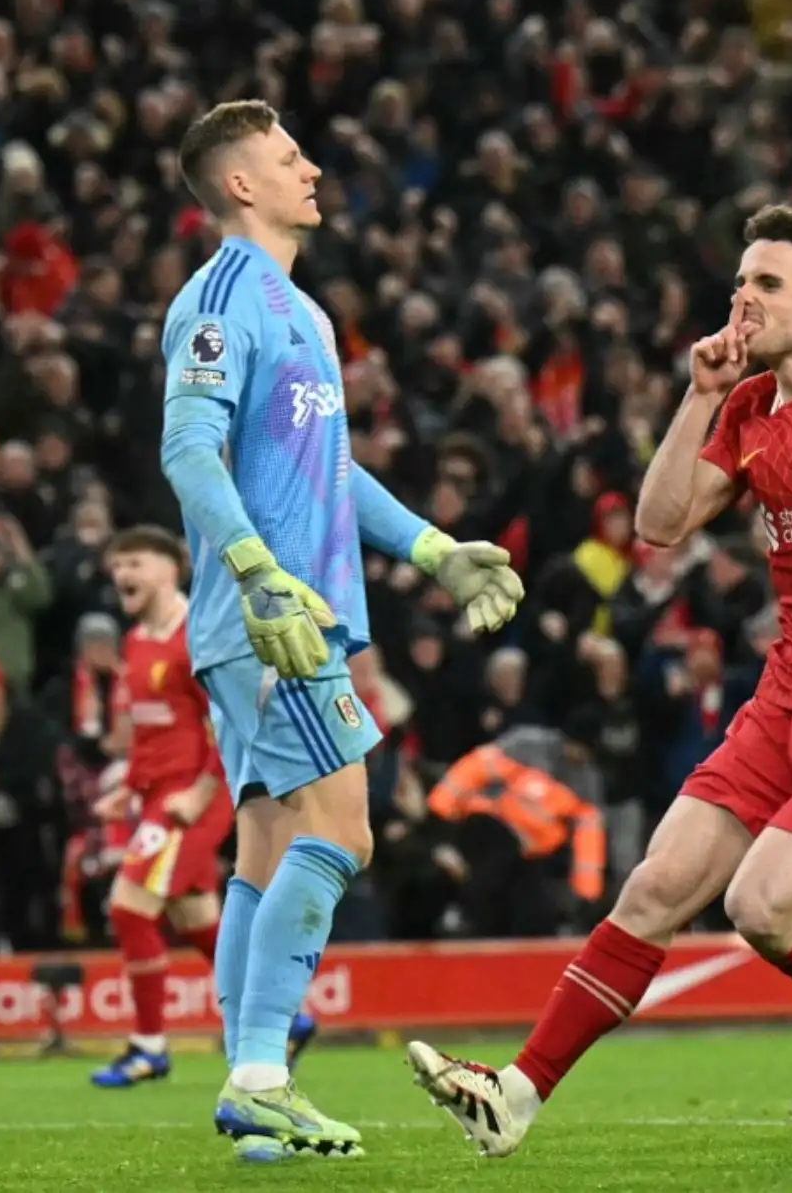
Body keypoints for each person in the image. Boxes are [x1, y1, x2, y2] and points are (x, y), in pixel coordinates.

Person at [407, 206, 792, 1154]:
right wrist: (698, 396)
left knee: (761, 904)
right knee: (655, 886)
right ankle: (516, 1094)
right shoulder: (751, 408)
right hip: (785, 698)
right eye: (740, 281)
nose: (744, 298)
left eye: (769, 283)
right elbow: (659, 523)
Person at [158, 100, 525, 1162]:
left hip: (282, 618)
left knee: (269, 846)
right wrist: (258, 571)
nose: (311, 168)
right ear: (240, 185)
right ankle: (260, 1075)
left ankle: (252, 1091)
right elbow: (188, 450)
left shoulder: (305, 313)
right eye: (288, 157)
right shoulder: (222, 299)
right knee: (345, 830)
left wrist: (433, 550)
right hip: (273, 621)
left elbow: (332, 469)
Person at [87, 525, 236, 1088]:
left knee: (128, 909)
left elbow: (227, 721)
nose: (122, 574)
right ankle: (286, 1019)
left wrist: (201, 792)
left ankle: (149, 1046)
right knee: (198, 923)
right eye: (117, 565)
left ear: (171, 569)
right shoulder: (135, 641)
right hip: (158, 797)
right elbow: (151, 732)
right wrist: (129, 787)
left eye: (135, 563)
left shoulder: (199, 634)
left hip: (195, 797)